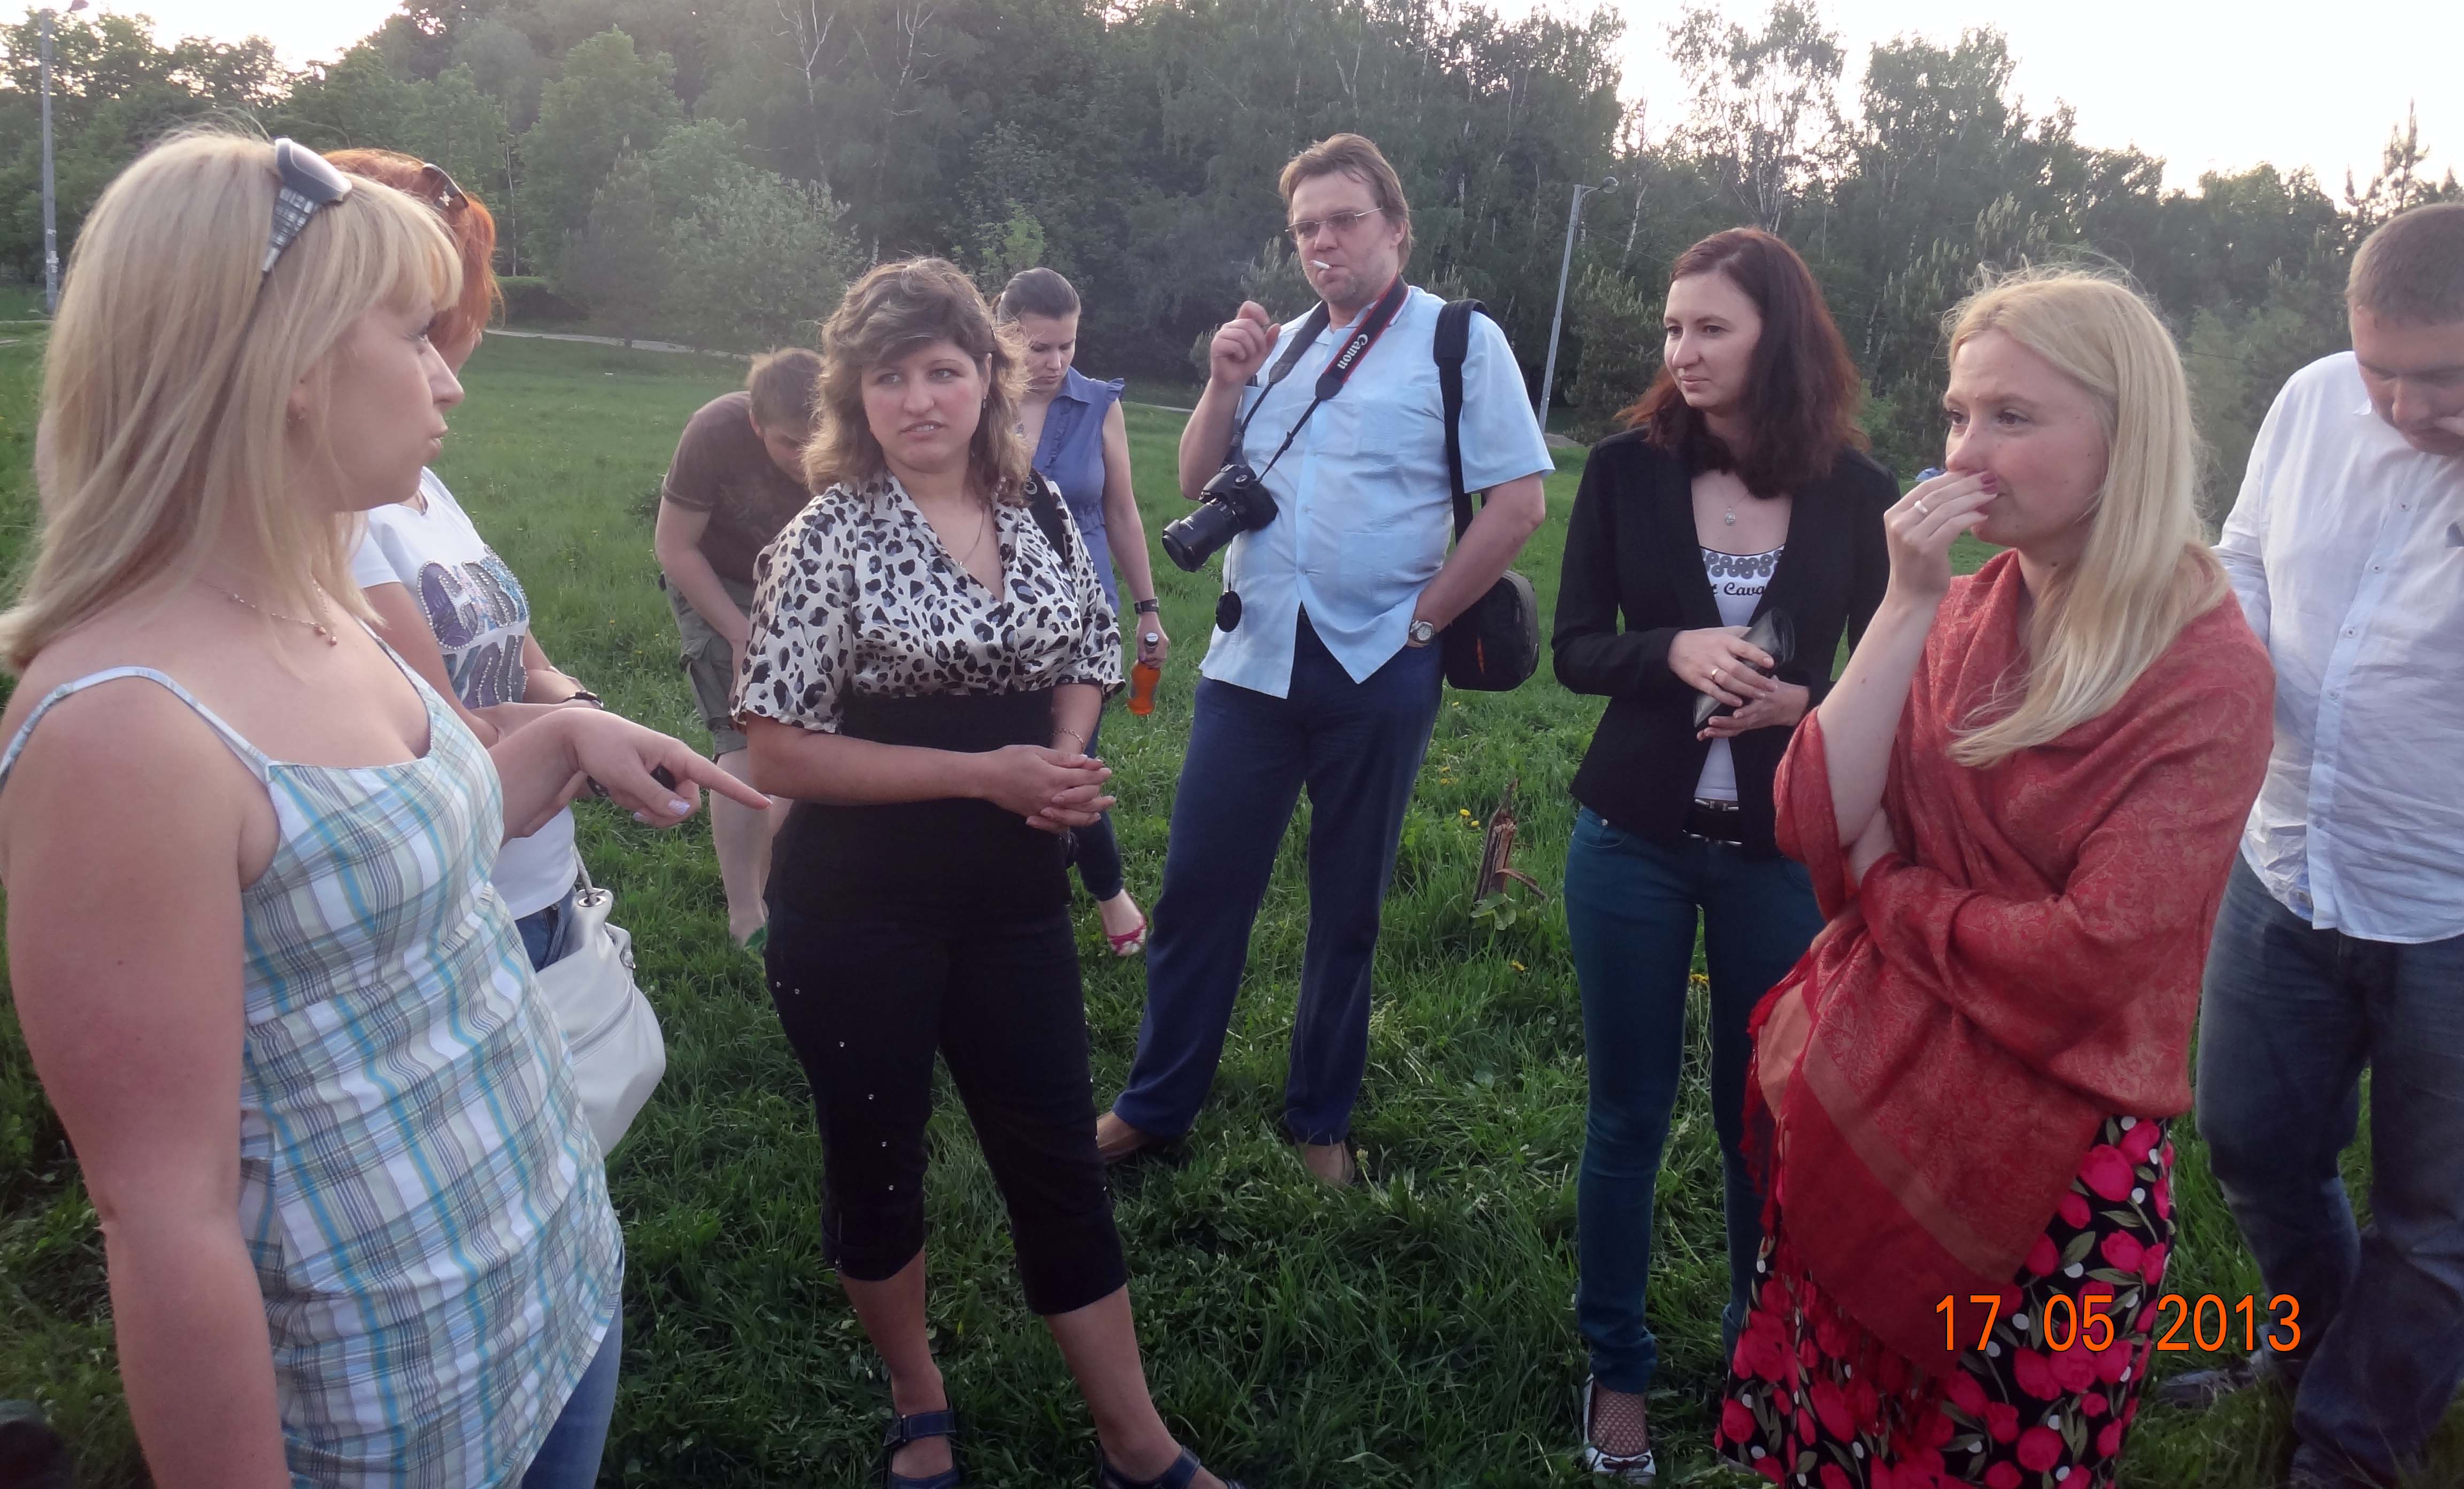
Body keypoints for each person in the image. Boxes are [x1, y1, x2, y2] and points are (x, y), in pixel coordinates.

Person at [0, 133, 764, 1488]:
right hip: (385, 1397)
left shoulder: (320, 606)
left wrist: (568, 732)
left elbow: (400, 845)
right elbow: (164, 1215)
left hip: (552, 1283)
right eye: (415, 336)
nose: (449, 376)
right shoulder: (122, 727)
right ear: (288, 365)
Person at [1714, 270, 2273, 1484]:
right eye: (1959, 414)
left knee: (1983, 1449)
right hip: (1875, 1098)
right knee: (1838, 1436)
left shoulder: (2202, 671)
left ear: (2124, 435)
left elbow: (2088, 958)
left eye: (2011, 417)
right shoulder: (1963, 606)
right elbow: (1810, 814)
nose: (1965, 451)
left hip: (2051, 1176)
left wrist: (1890, 887)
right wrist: (1905, 603)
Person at [738, 257, 1244, 1489]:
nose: (919, 399)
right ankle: (919, 1395)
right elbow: (779, 747)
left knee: (1057, 1162)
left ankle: (1138, 1443)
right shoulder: (826, 538)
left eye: (943, 371)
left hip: (1013, 901)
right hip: (855, 911)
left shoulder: (1042, 510)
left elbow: (1087, 650)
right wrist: (985, 777)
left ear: (987, 378)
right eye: (890, 376)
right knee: (878, 1164)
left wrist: (1061, 759)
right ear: (856, 395)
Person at [1095, 133, 1551, 1184]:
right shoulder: (1280, 343)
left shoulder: (1458, 340)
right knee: (1200, 888)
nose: (1322, 242)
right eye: (1305, 227)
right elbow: (1197, 478)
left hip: (1379, 667)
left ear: (1396, 226)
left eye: (1344, 219)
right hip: (1251, 658)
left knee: (1348, 903)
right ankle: (1156, 1103)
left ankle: (1320, 1118)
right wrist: (1222, 383)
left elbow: (1520, 505)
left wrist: (1422, 624)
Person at [1551, 227, 1892, 1480]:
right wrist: (1672, 650)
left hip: (1778, 850)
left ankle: (1765, 1347)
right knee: (1626, 1113)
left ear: (1776, 338)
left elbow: (1894, 669)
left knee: (1763, 1118)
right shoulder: (1625, 471)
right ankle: (1617, 1364)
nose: (1681, 351)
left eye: (1710, 328)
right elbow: (1574, 646)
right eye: (1672, 327)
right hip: (1629, 843)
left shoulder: (1856, 490)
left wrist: (1804, 704)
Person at [2168, 202, 2464, 1487]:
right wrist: (2233, 667)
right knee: (2250, 1140)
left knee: (2437, 1221)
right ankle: (2325, 1354)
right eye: (2379, 368)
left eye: (2441, 377)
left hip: (2449, 900)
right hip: (2284, 858)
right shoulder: (2308, 402)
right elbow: (2242, 553)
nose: (2401, 406)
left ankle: (2351, 1444)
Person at [329, 148, 600, 972]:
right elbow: (453, 744)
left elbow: (530, 666)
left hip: (535, 879)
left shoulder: (420, 484)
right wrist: (582, 736)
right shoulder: (340, 515)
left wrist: (577, 715)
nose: (454, 373)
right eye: (423, 324)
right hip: (462, 910)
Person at [998, 267, 1169, 957]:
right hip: (992, 613)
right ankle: (1016, 889)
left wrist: (1148, 610)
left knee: (1072, 758)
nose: (1055, 361)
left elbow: (1122, 512)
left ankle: (1107, 891)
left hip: (1082, 619)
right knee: (1003, 751)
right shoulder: (976, 398)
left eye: (1067, 345)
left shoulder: (1099, 404)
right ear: (1002, 336)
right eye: (1038, 347)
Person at [655, 348, 820, 949]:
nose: (807, 459)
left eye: (817, 441)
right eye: (789, 444)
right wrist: (738, 631)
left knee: (808, 734)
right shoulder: (715, 430)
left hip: (805, 584)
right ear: (756, 423)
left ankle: (772, 871)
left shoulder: (855, 434)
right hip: (717, 580)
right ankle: (745, 913)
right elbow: (675, 546)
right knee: (747, 736)